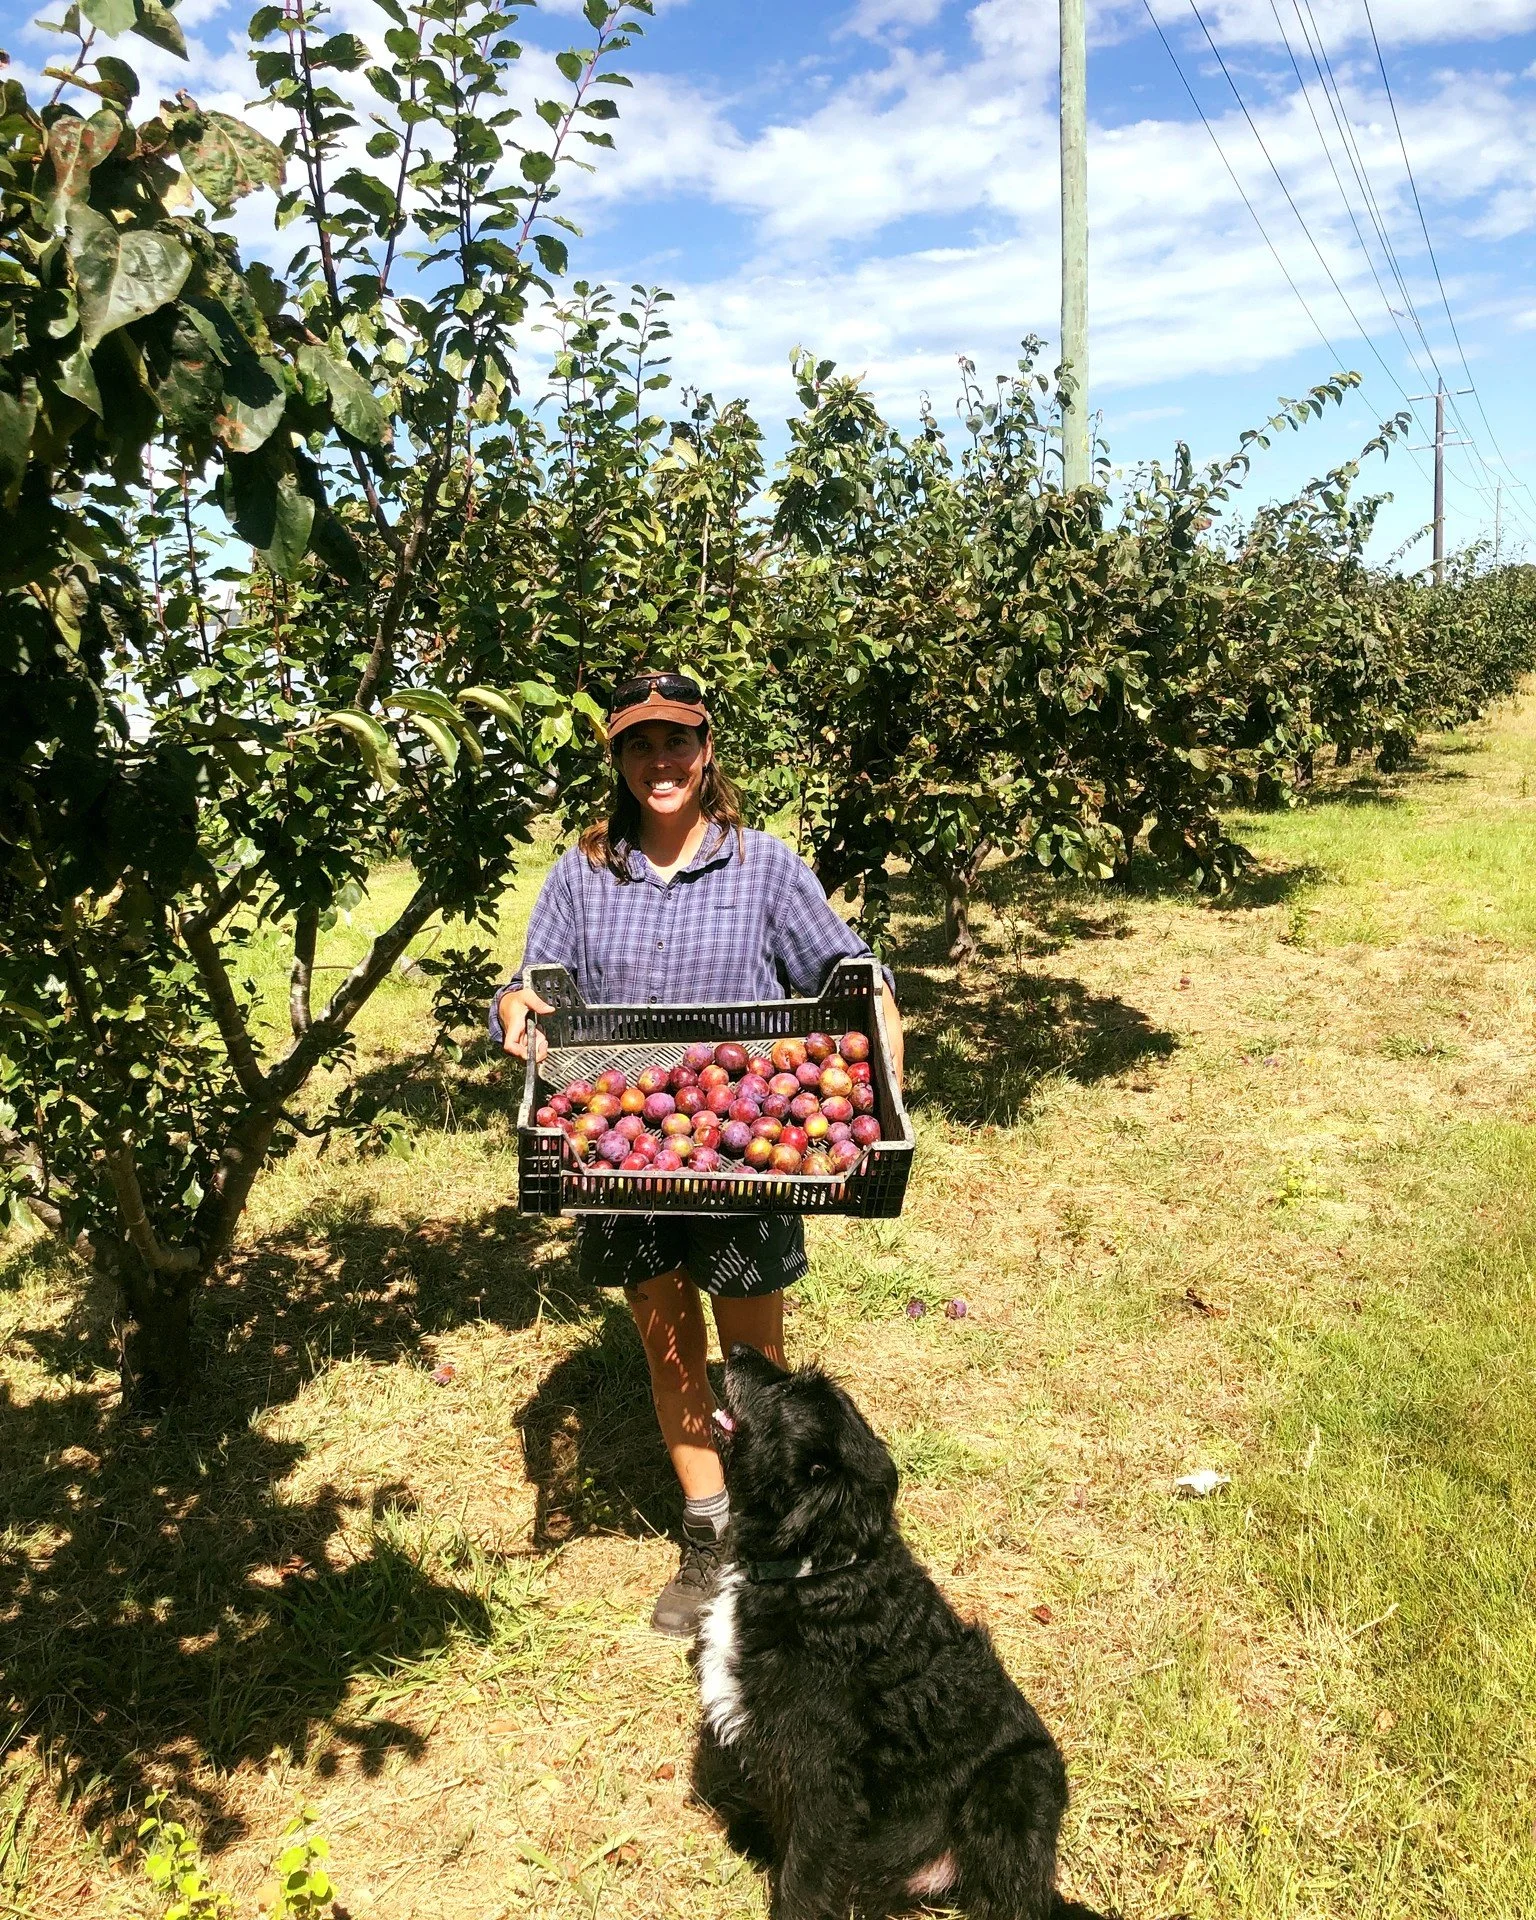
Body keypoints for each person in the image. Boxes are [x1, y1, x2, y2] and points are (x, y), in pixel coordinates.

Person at [492, 671, 903, 1637]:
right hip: (626, 1151)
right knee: (666, 1337)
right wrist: (514, 1008)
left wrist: (880, 1034)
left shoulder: (763, 867)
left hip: (745, 1159)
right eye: (640, 745)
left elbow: (843, 969)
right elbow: (531, 983)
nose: (660, 762)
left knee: (751, 1355)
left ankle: (769, 1529)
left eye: (676, 741)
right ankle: (707, 1532)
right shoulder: (585, 871)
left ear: (706, 750)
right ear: (619, 761)